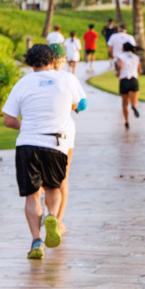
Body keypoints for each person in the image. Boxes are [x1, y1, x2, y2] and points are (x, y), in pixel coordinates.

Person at [1, 44, 82, 260]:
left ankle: (36, 240)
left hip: (28, 144)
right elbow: (78, 105)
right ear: (52, 60)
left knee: (31, 194)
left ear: (30, 63)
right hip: (56, 144)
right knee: (54, 187)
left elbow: (8, 120)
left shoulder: (22, 83)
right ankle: (53, 216)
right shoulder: (66, 79)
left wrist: (26, 126)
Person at [51, 43, 88, 236]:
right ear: (64, 60)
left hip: (36, 135)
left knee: (42, 182)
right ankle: (59, 221)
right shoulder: (69, 78)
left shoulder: (33, 78)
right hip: (64, 134)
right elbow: (82, 105)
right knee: (63, 178)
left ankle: (46, 212)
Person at [115, 41, 141, 130]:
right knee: (134, 100)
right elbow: (139, 70)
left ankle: (126, 121)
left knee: (124, 103)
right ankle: (134, 106)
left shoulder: (120, 57)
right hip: (133, 79)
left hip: (124, 80)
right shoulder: (136, 57)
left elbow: (120, 66)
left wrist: (118, 73)